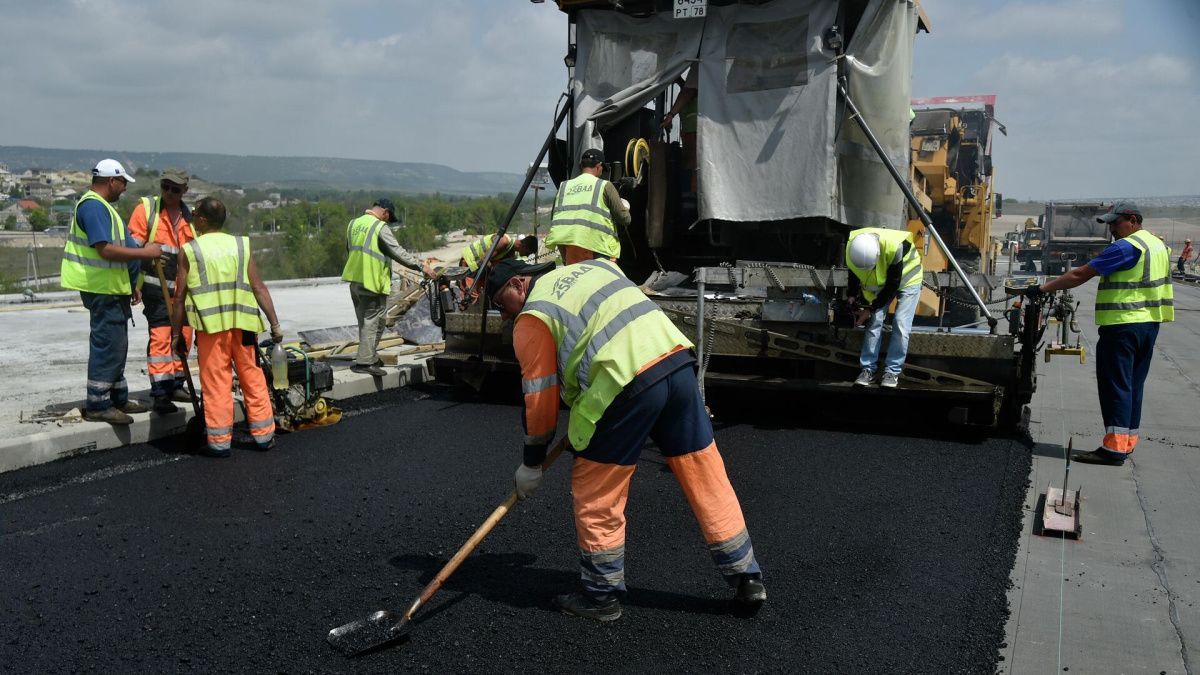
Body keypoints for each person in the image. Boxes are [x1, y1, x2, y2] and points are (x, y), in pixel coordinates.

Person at [486, 257, 766, 622]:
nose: (504, 317)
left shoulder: (533, 316)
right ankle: (747, 576)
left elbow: (541, 399)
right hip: (675, 363)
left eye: (499, 304)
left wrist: (532, 461)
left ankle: (601, 596)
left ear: (519, 285)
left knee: (595, 487)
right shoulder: (592, 268)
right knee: (704, 472)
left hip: (624, 382)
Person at [1026, 202, 1173, 465]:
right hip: (1149, 326)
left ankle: (1113, 449)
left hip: (1123, 326)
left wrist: (1043, 289)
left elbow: (1082, 273)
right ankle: (1126, 443)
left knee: (1115, 385)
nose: (1112, 230)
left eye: (1115, 224)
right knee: (1132, 386)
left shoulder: (1127, 247)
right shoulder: (1157, 245)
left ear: (1131, 219)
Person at [170, 197, 282, 458]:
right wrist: (274, 324)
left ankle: (219, 443)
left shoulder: (191, 250)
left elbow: (179, 298)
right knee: (252, 376)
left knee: (216, 382)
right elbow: (258, 287)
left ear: (203, 220)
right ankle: (264, 436)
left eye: (195, 215)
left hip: (211, 329)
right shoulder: (241, 245)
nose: (193, 219)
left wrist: (176, 335)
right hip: (243, 326)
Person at [60, 159, 164, 424]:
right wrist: (146, 252)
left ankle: (117, 397)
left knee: (118, 344)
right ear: (111, 181)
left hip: (114, 289)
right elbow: (105, 249)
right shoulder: (93, 207)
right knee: (108, 344)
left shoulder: (105, 208)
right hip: (101, 289)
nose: (124, 189)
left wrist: (132, 284)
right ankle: (98, 403)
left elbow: (127, 248)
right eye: (122, 183)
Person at [128, 168, 196, 414]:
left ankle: (177, 383)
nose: (169, 192)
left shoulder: (191, 219)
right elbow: (131, 250)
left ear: (184, 191)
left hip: (184, 293)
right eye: (165, 186)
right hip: (157, 292)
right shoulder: (146, 211)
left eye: (175, 189)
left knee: (184, 337)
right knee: (161, 339)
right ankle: (160, 393)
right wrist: (137, 278)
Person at [340, 198, 434, 377]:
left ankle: (369, 355)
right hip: (372, 282)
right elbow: (397, 251)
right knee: (375, 321)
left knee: (366, 322)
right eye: (388, 219)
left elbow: (349, 249)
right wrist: (422, 267)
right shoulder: (379, 227)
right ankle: (365, 362)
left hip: (355, 280)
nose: (387, 222)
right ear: (386, 212)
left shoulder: (353, 224)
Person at [844, 227, 923, 389]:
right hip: (884, 279)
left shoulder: (895, 247)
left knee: (901, 324)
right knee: (874, 322)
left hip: (909, 278)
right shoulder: (853, 248)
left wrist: (870, 309)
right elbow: (854, 273)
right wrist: (851, 296)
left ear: (877, 255)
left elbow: (892, 285)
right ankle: (867, 370)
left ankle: (892, 372)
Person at [544, 149, 631, 266]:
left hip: (570, 250)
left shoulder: (563, 187)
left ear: (581, 165)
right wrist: (625, 207)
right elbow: (625, 219)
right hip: (598, 250)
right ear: (599, 166)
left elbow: (556, 220)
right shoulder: (605, 185)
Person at [457, 233, 539, 304]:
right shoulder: (504, 241)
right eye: (529, 253)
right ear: (525, 247)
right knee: (470, 297)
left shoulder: (510, 253)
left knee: (480, 297)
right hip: (469, 262)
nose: (528, 256)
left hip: (478, 268)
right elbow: (485, 261)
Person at [661, 66, 699, 193]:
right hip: (690, 127)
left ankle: (690, 199)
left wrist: (671, 115)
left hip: (694, 129)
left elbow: (690, 91)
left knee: (692, 163)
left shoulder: (699, 65)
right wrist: (678, 80)